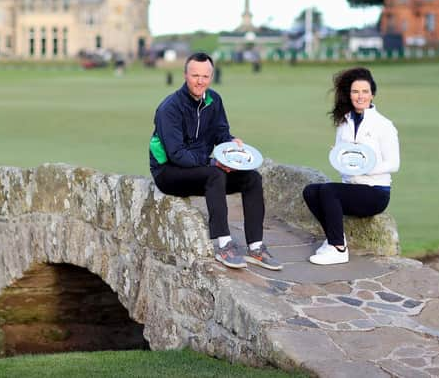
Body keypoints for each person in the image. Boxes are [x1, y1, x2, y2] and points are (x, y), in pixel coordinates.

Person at [149, 52, 282, 271]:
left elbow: (221, 133)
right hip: (168, 172)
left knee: (252, 178)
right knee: (215, 174)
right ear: (185, 75)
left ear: (211, 76)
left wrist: (230, 144)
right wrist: (213, 163)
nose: (200, 81)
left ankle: (256, 247)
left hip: (200, 169)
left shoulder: (214, 100)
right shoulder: (169, 108)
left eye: (205, 76)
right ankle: (223, 244)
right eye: (195, 76)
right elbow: (176, 154)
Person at [303, 67, 400, 265]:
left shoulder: (384, 125)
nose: (360, 96)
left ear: (372, 94)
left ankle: (338, 250)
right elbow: (343, 159)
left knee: (330, 190)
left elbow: (394, 163)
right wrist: (338, 157)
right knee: (311, 191)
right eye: (355, 91)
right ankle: (335, 239)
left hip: (376, 192)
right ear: (349, 94)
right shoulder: (344, 122)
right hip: (352, 187)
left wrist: (366, 168)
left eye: (365, 91)